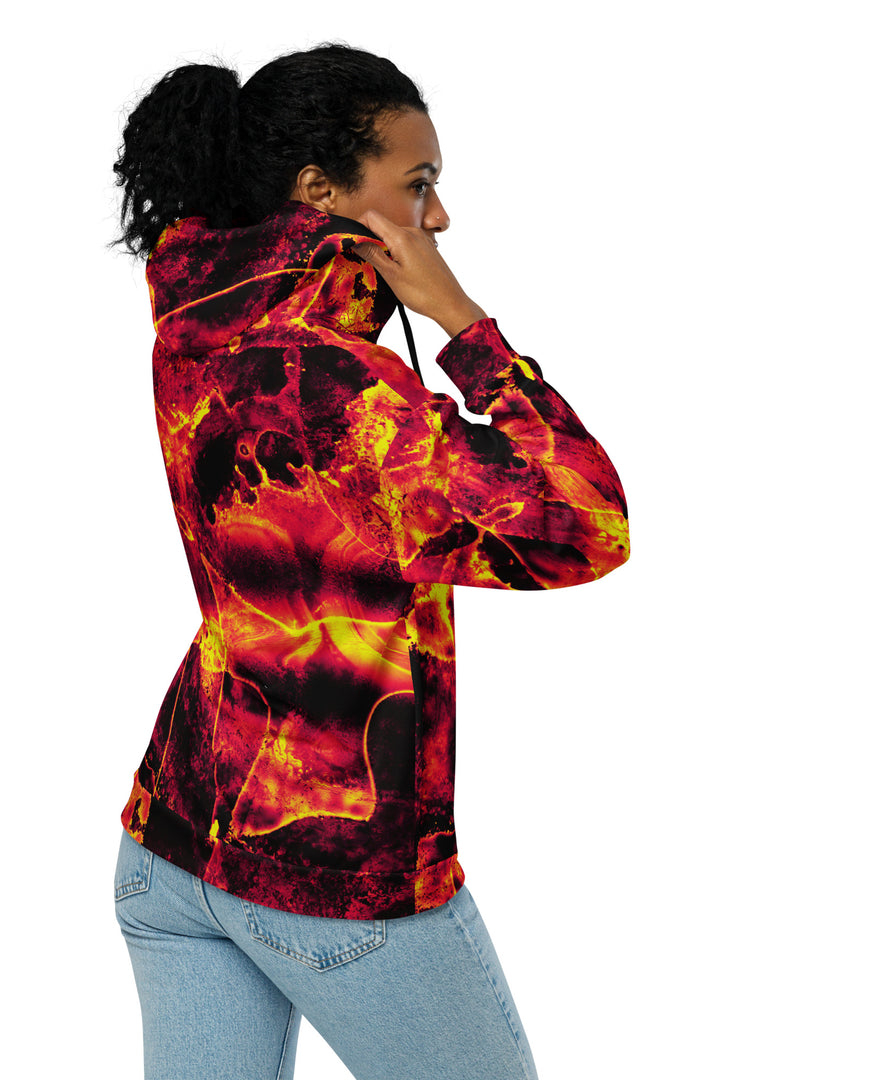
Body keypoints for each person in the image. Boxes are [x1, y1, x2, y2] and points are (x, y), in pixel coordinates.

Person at [109, 42, 629, 1080]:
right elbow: (586, 523)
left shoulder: (198, 322)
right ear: (321, 193)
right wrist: (465, 326)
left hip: (173, 839)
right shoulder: (337, 384)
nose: (440, 217)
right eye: (418, 184)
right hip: (331, 874)